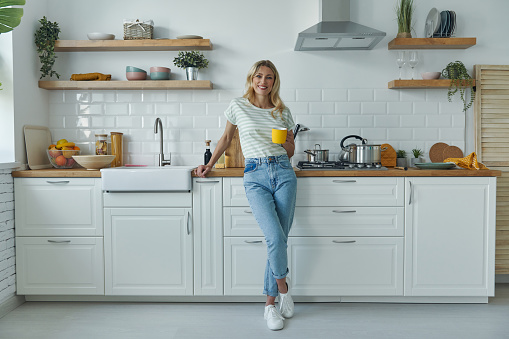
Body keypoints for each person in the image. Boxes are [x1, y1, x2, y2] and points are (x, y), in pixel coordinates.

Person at [195, 60, 297, 331]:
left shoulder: (282, 111)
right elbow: (226, 139)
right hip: (255, 175)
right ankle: (284, 289)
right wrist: (210, 163)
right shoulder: (238, 106)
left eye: (270, 78)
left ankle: (269, 306)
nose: (264, 81)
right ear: (252, 79)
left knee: (279, 241)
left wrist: (285, 144)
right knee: (275, 237)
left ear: (275, 82)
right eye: (259, 76)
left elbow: (290, 150)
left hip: (284, 173)